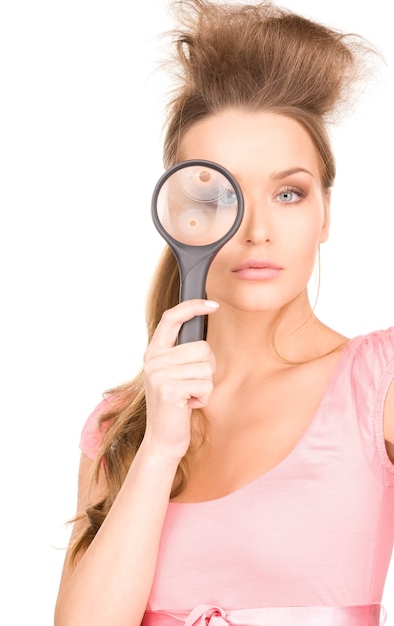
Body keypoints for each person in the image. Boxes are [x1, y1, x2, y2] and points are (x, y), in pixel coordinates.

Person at [54, 1, 394, 624]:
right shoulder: (120, 425)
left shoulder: (380, 381)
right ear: (181, 216)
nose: (256, 230)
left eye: (288, 193)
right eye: (218, 195)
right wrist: (159, 447)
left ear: (326, 214)